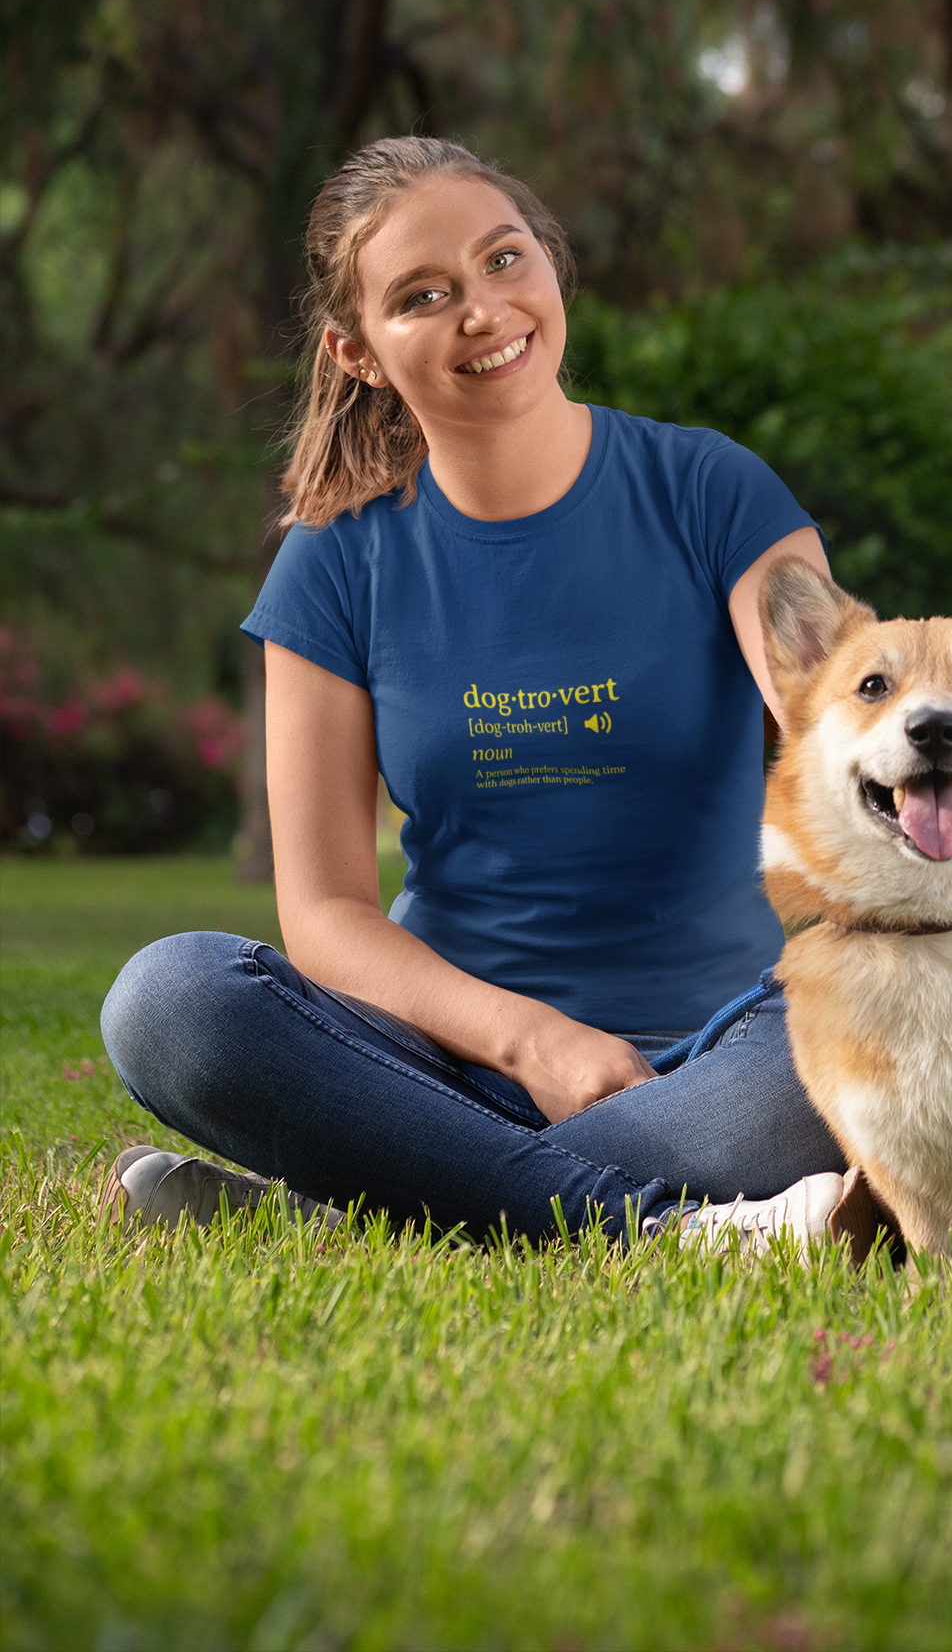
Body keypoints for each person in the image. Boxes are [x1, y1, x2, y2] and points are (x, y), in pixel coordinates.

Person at [99, 137, 855, 1252]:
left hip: (729, 1056)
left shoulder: (713, 491)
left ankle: (369, 1201)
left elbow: (835, 720)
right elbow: (324, 917)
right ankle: (639, 1225)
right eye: (424, 295)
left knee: (878, 1028)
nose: (484, 311)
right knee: (168, 1001)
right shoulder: (333, 560)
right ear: (356, 351)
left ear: (549, 264)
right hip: (435, 1066)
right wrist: (531, 1042)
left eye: (505, 260)